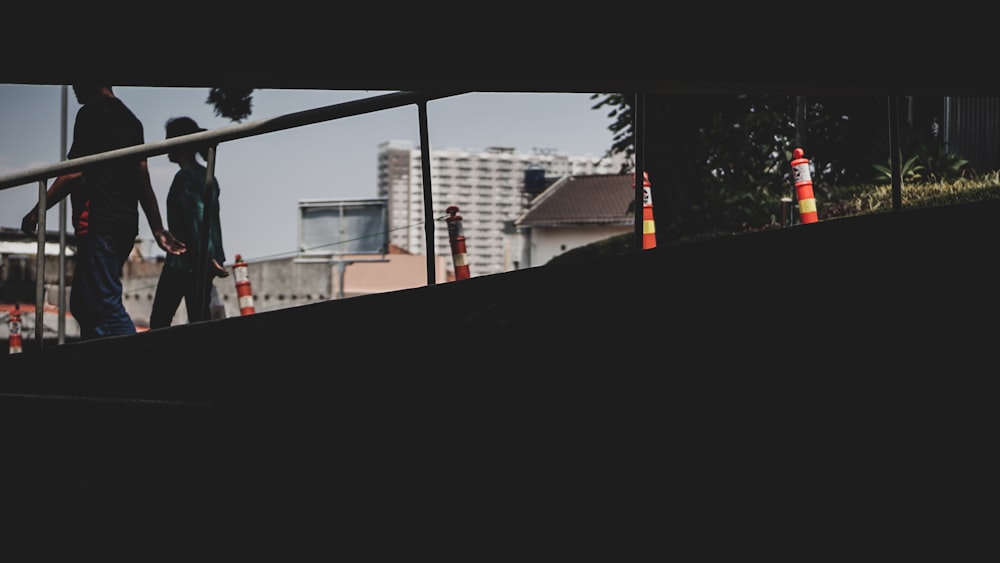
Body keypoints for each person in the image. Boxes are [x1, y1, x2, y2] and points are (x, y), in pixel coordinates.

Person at [21, 84, 186, 340]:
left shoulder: (91, 113)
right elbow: (142, 178)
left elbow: (74, 172)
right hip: (124, 224)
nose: (73, 87)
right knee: (83, 303)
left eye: (77, 80)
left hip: (99, 222)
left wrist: (38, 210)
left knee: (104, 305)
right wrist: (156, 227)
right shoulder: (131, 120)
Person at [149, 117, 228, 328]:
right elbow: (211, 221)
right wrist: (213, 255)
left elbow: (197, 217)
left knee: (160, 320)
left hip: (182, 260)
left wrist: (207, 255)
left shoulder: (184, 177)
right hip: (201, 260)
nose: (165, 147)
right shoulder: (206, 175)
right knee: (199, 318)